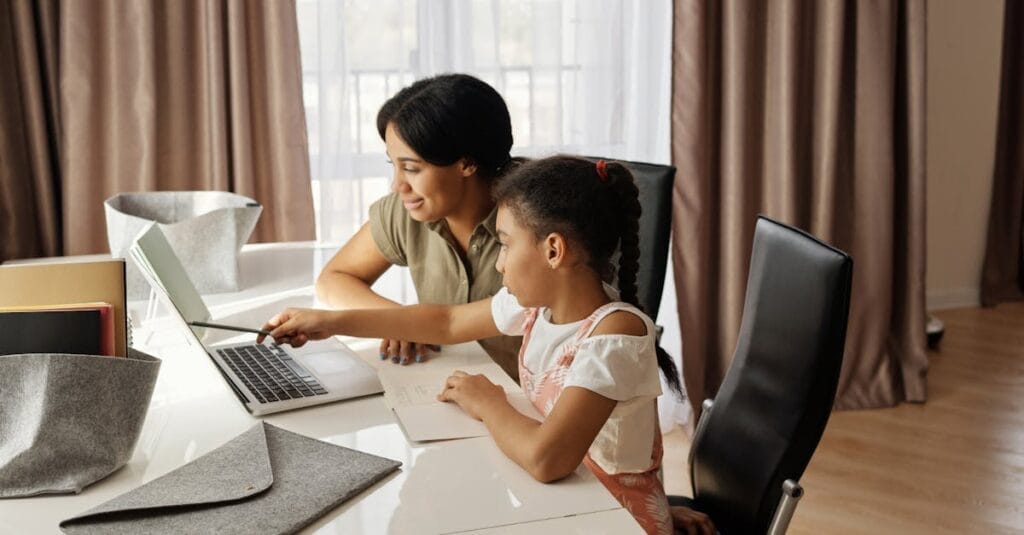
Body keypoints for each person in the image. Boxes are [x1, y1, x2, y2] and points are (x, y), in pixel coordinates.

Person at [260, 156, 715, 535]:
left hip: (608, 519)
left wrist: (488, 402)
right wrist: (330, 322)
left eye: (504, 244)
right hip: (572, 501)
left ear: (553, 251)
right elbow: (446, 319)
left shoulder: (613, 337)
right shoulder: (541, 308)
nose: (498, 264)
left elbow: (546, 459)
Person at [315, 73, 522, 376]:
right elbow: (333, 278)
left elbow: (448, 324)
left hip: (531, 404)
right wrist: (402, 322)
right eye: (393, 165)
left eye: (411, 168)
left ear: (467, 163)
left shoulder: (536, 220)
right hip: (450, 389)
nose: (397, 185)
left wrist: (411, 323)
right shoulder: (409, 209)